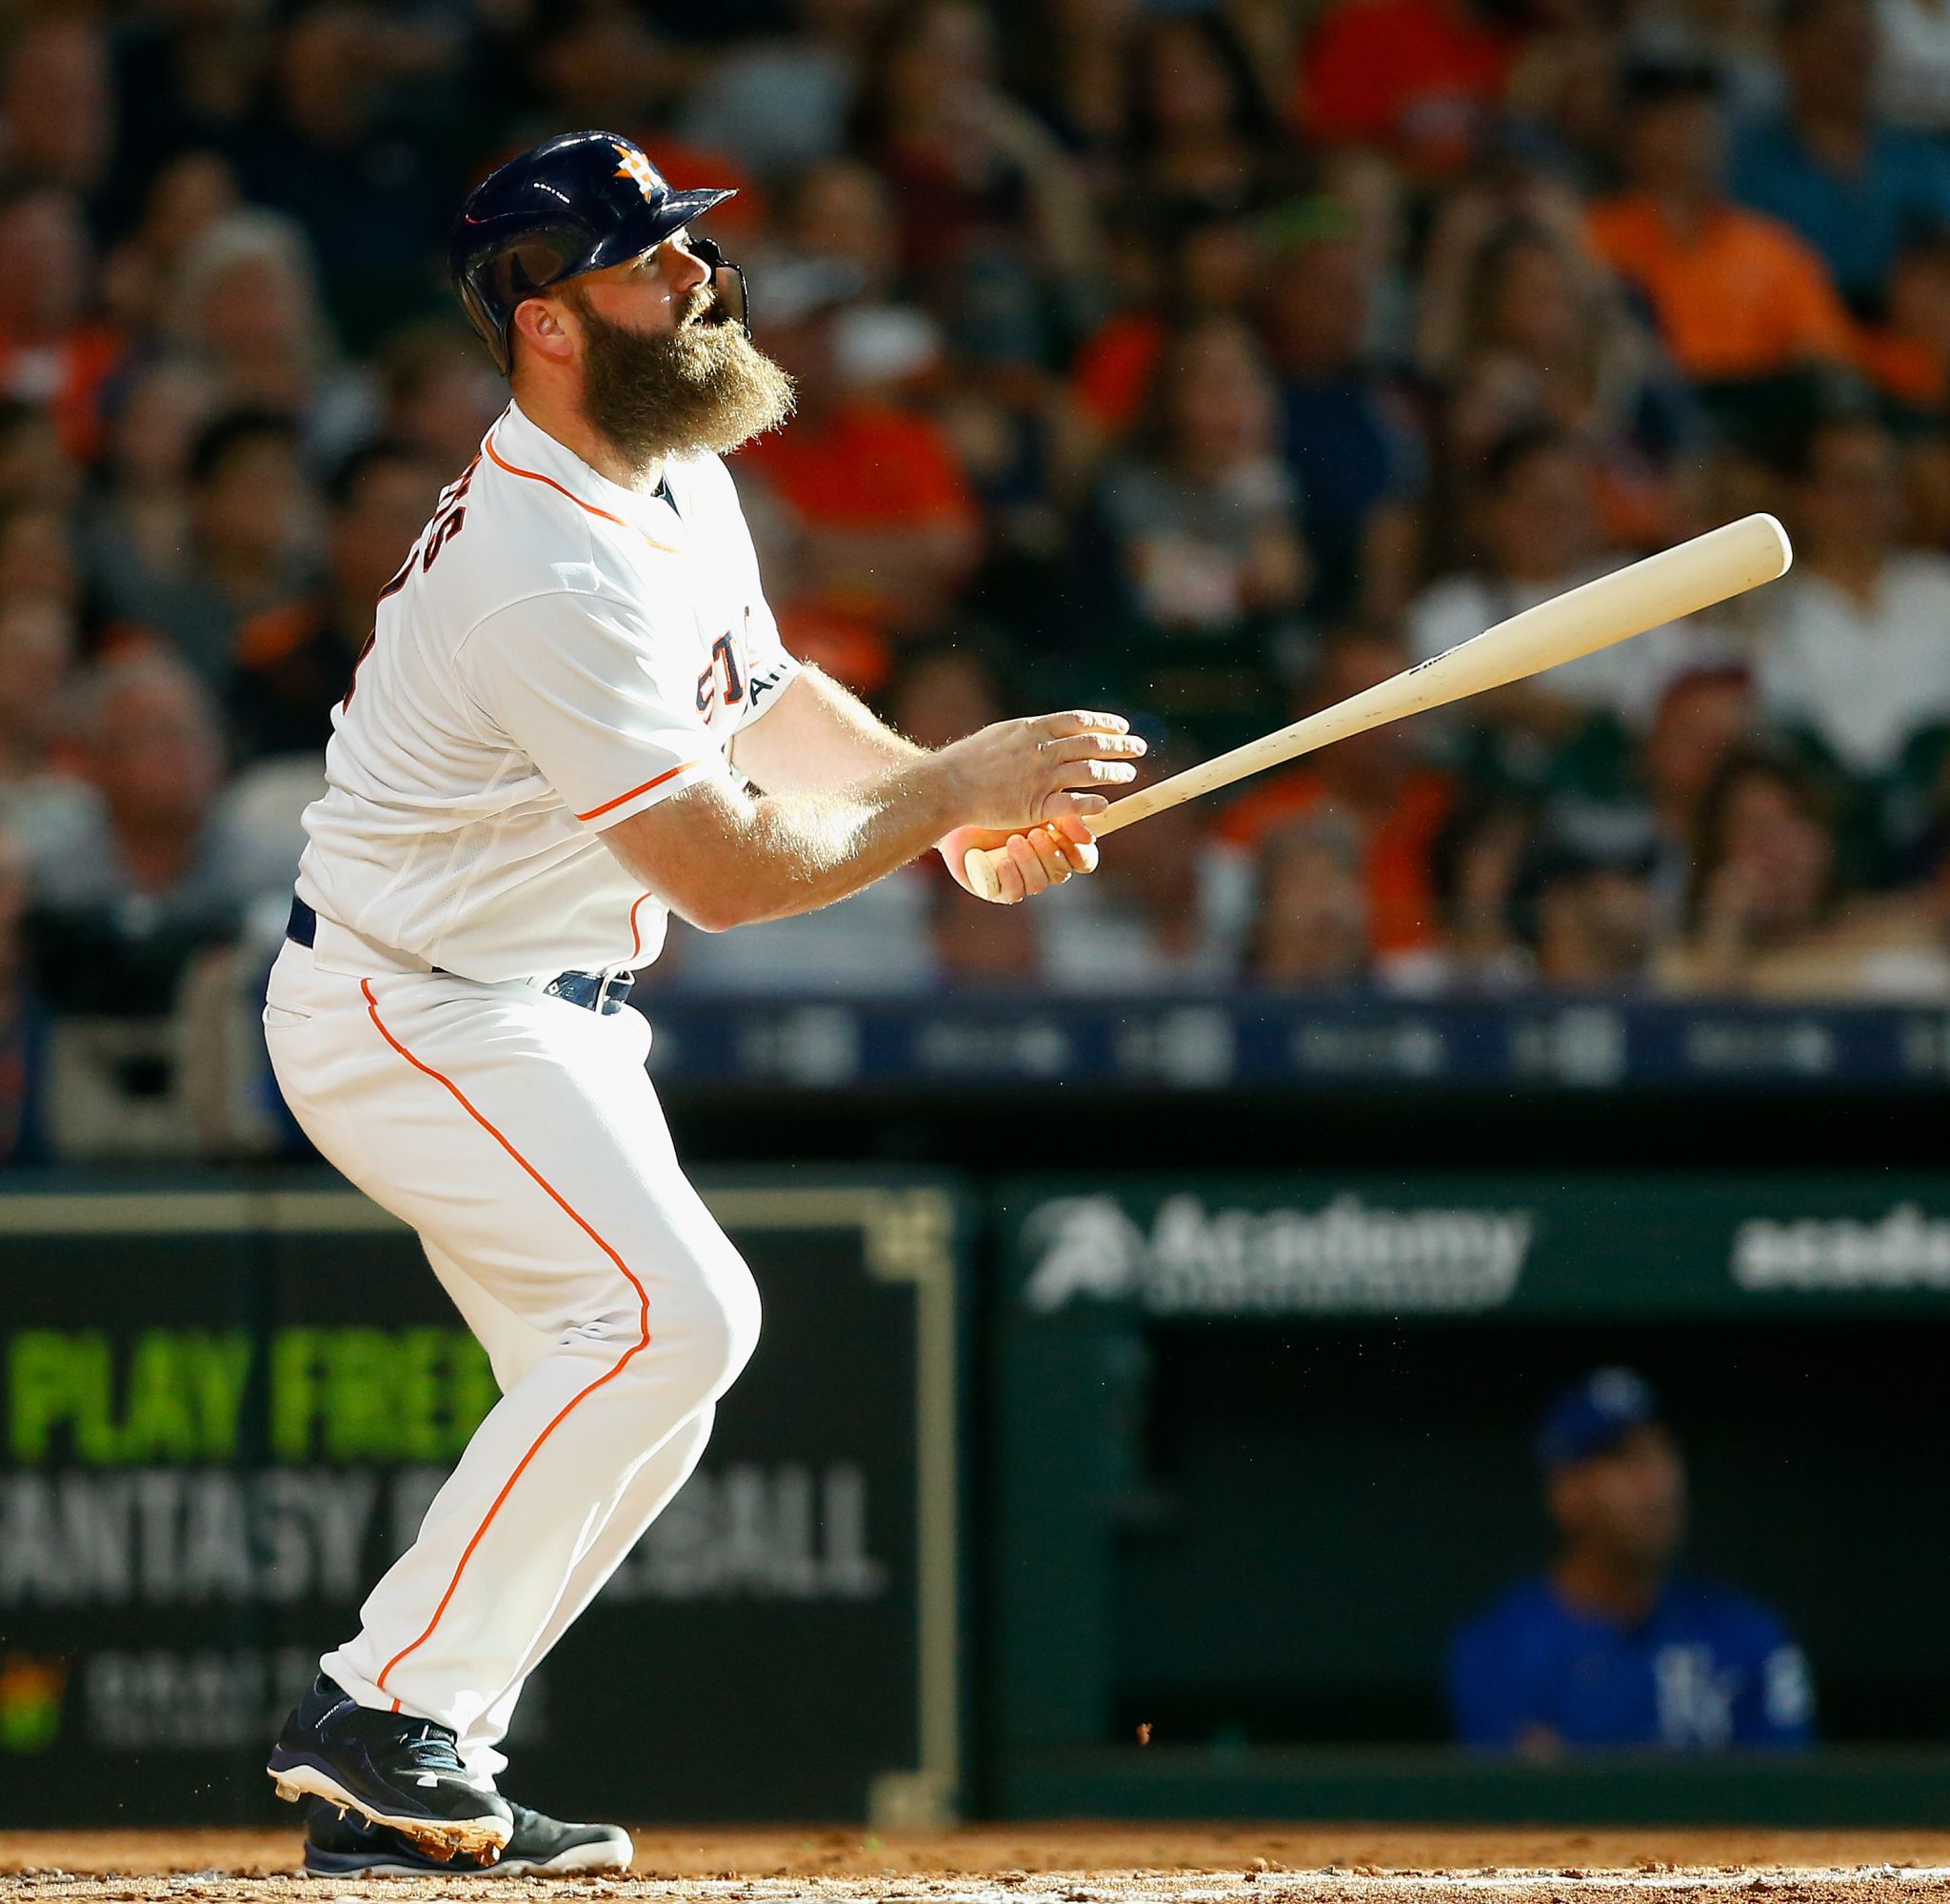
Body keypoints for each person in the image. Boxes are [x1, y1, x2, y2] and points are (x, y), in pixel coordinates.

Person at [260, 131, 1141, 1877]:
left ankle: (418, 1782)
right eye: (648, 259)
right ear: (545, 321)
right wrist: (952, 782)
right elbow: (725, 874)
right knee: (677, 1319)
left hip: (536, 1004)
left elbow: (763, 700)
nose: (695, 279)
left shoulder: (664, 470)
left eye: (686, 250)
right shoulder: (542, 561)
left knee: (638, 1378)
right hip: (415, 1002)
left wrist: (938, 816)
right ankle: (379, 1711)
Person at [1450, 1368, 1815, 1754]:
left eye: (1664, 1452)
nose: (1658, 1483)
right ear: (1566, 1493)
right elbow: (1530, 1804)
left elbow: (1793, 1803)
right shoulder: (1498, 1649)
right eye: (1625, 1459)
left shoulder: (1750, 1635)